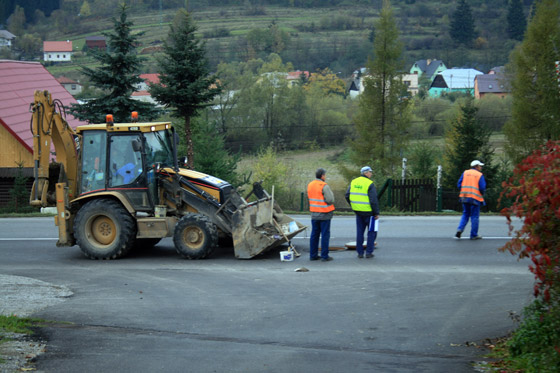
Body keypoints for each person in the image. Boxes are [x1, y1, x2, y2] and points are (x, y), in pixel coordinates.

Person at [345, 166, 379, 259]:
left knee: (360, 232)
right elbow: (373, 200)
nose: (371, 174)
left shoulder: (354, 182)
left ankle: (360, 252)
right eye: (370, 172)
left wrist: (353, 205)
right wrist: (376, 213)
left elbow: (347, 195)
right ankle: (368, 252)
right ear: (366, 173)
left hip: (358, 212)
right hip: (369, 212)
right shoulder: (369, 183)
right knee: (371, 232)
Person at [307, 168, 335, 262]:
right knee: (325, 235)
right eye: (325, 175)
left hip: (314, 214)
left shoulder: (310, 184)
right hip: (324, 214)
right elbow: (330, 199)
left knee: (314, 235)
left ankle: (313, 255)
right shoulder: (324, 185)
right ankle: (324, 256)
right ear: (322, 175)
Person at [456, 160, 486, 240]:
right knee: (474, 216)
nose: (481, 167)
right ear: (476, 166)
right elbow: (482, 187)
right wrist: (481, 193)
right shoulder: (479, 175)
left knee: (465, 214)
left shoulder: (465, 173)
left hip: (464, 197)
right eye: (480, 166)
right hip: (475, 198)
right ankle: (473, 235)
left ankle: (460, 229)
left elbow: (459, 184)